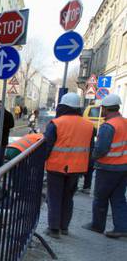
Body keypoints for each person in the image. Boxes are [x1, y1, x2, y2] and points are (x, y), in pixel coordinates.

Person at [44, 93, 94, 239]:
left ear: (63, 106)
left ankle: (53, 229)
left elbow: (47, 145)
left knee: (54, 197)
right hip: (77, 168)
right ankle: (64, 227)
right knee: (68, 198)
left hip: (57, 166)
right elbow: (90, 148)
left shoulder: (56, 123)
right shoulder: (89, 126)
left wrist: (41, 162)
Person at [82, 94, 127, 238]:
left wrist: (91, 157)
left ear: (105, 109)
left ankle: (97, 225)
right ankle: (122, 228)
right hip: (123, 167)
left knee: (100, 197)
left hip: (108, 167)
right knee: (118, 198)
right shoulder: (125, 122)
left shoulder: (108, 126)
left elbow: (101, 149)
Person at [0, 100, 15, 170]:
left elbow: (11, 124)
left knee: (0, 155)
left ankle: (0, 170)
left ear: (3, 106)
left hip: (3, 137)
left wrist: (1, 127)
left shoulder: (8, 114)